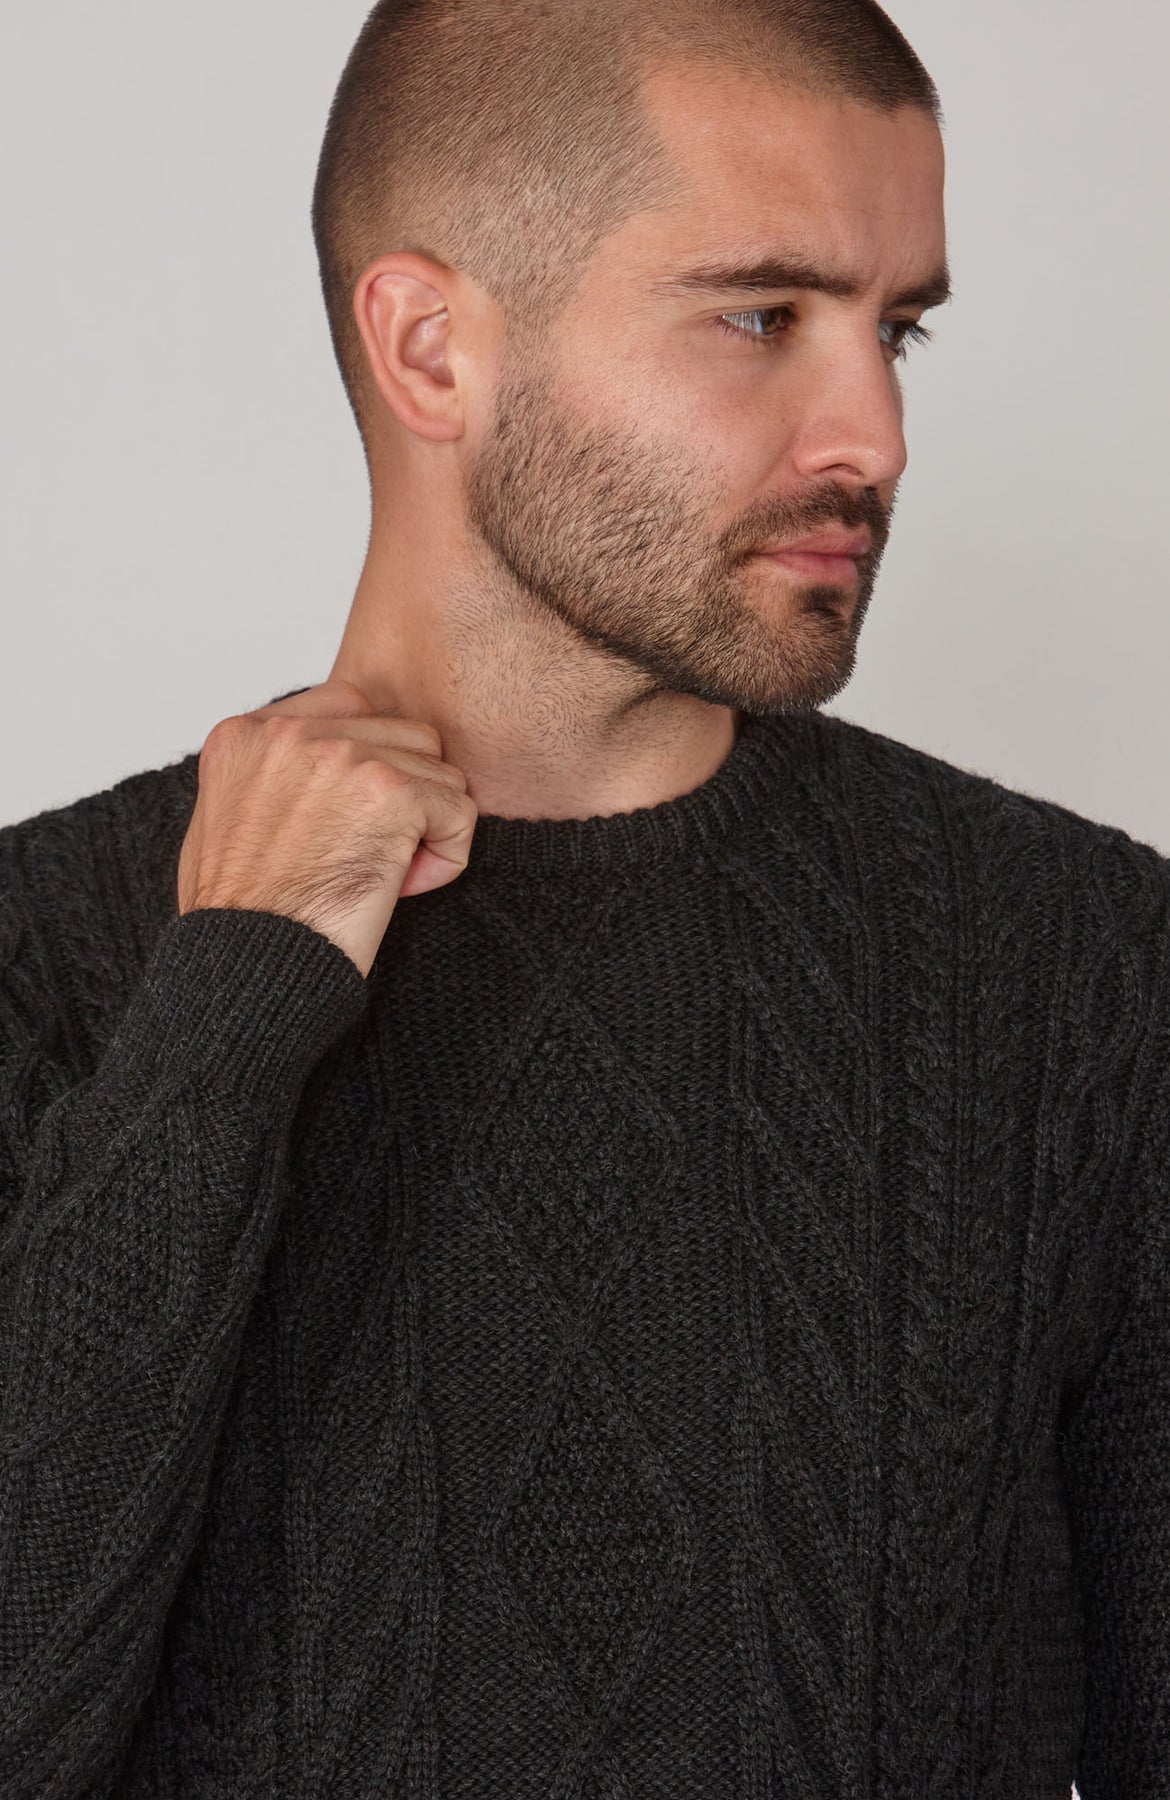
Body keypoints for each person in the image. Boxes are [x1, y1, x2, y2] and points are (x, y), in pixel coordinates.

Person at [1, 0, 1166, 1794]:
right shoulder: (47, 955)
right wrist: (229, 1005)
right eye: (762, 317)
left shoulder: (1082, 962)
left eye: (897, 331)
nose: (872, 435)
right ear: (431, 349)